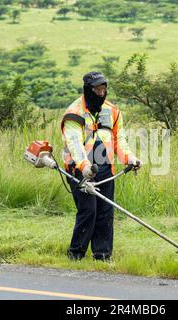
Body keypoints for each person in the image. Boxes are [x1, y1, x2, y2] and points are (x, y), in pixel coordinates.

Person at [60, 71, 141, 261]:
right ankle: (75, 254)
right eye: (97, 89)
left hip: (105, 168)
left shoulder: (112, 111)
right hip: (80, 170)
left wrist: (129, 158)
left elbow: (119, 139)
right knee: (89, 210)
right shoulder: (74, 112)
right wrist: (84, 166)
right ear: (88, 90)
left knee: (105, 212)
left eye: (103, 89)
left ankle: (102, 256)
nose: (101, 93)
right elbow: (74, 144)